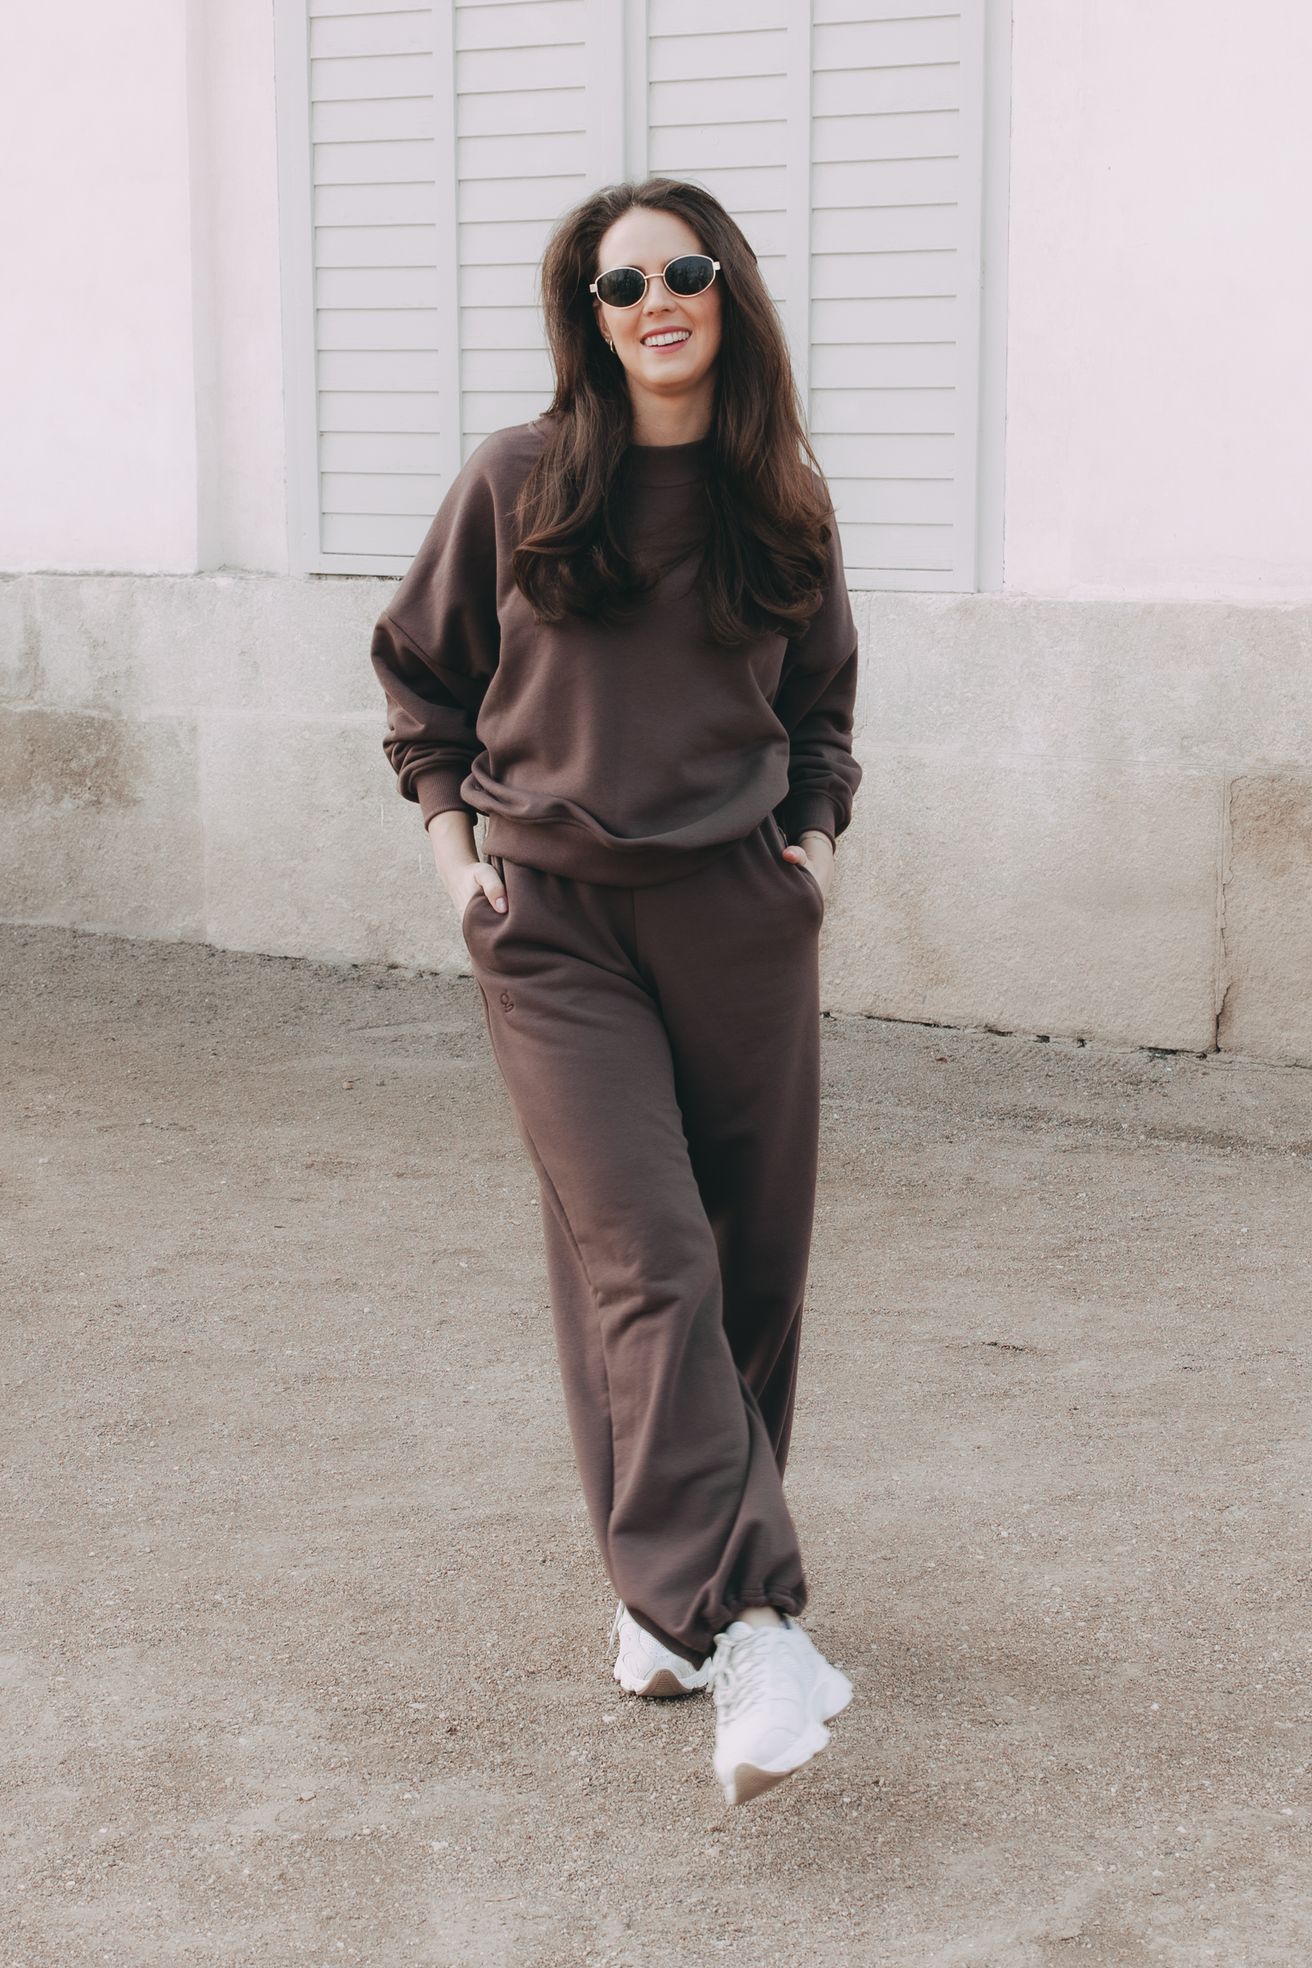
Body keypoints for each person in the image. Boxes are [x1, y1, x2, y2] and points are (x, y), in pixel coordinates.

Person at [369, 176, 862, 1808]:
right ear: (586, 316)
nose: (657, 302)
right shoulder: (518, 481)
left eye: (684, 271)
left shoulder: (781, 504)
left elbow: (823, 712)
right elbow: (421, 679)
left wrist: (812, 854)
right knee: (647, 1257)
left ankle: (658, 1609)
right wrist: (460, 870)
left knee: (748, 1275)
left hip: (738, 920)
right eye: (620, 283)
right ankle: (754, 1626)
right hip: (556, 923)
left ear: (730, 292)